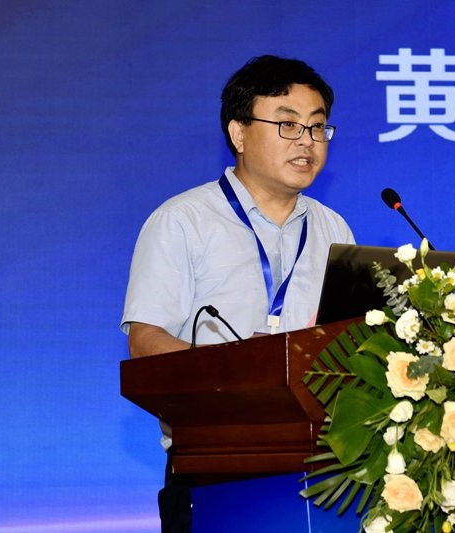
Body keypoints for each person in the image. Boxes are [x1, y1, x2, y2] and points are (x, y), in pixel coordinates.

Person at [120, 55, 355, 532]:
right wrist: (245, 372)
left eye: (317, 127)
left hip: (327, 466)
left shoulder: (333, 229)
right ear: (239, 133)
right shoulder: (183, 221)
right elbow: (145, 343)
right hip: (215, 465)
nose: (307, 141)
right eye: (288, 125)